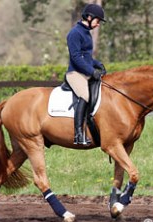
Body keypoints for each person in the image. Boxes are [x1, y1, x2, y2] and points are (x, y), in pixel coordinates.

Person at [65, 4, 106, 145]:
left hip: (84, 72)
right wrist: (91, 71)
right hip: (75, 73)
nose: (98, 24)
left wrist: (97, 64)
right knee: (85, 95)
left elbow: (86, 57)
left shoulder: (86, 32)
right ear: (89, 17)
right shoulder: (75, 33)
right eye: (97, 20)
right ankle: (78, 134)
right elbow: (76, 58)